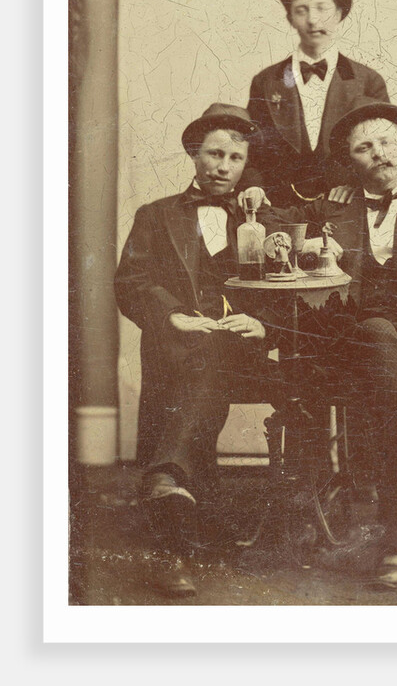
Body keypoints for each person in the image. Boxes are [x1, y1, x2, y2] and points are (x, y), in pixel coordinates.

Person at [254, 96, 397, 588]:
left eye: (387, 142)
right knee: (374, 335)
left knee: (381, 377)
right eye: (364, 147)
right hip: (345, 347)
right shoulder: (331, 208)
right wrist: (306, 243)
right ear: (350, 162)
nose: (378, 152)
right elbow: (272, 224)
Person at [114, 103, 275, 597]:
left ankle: (166, 478)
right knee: (202, 355)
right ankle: (177, 522)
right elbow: (131, 280)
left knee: (213, 355)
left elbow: (301, 287)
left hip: (250, 353)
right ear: (193, 153)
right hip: (181, 349)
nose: (224, 166)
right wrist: (169, 315)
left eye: (235, 157)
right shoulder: (156, 214)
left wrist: (262, 322)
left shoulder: (267, 218)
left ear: (247, 163)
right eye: (214, 154)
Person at [244, 0, 390, 207]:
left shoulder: (368, 82)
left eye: (322, 8)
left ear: (339, 14)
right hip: (279, 209)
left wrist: (358, 185)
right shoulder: (266, 82)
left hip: (348, 207)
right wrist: (254, 187)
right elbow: (252, 152)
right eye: (302, 10)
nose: (312, 20)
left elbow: (387, 150)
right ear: (290, 17)